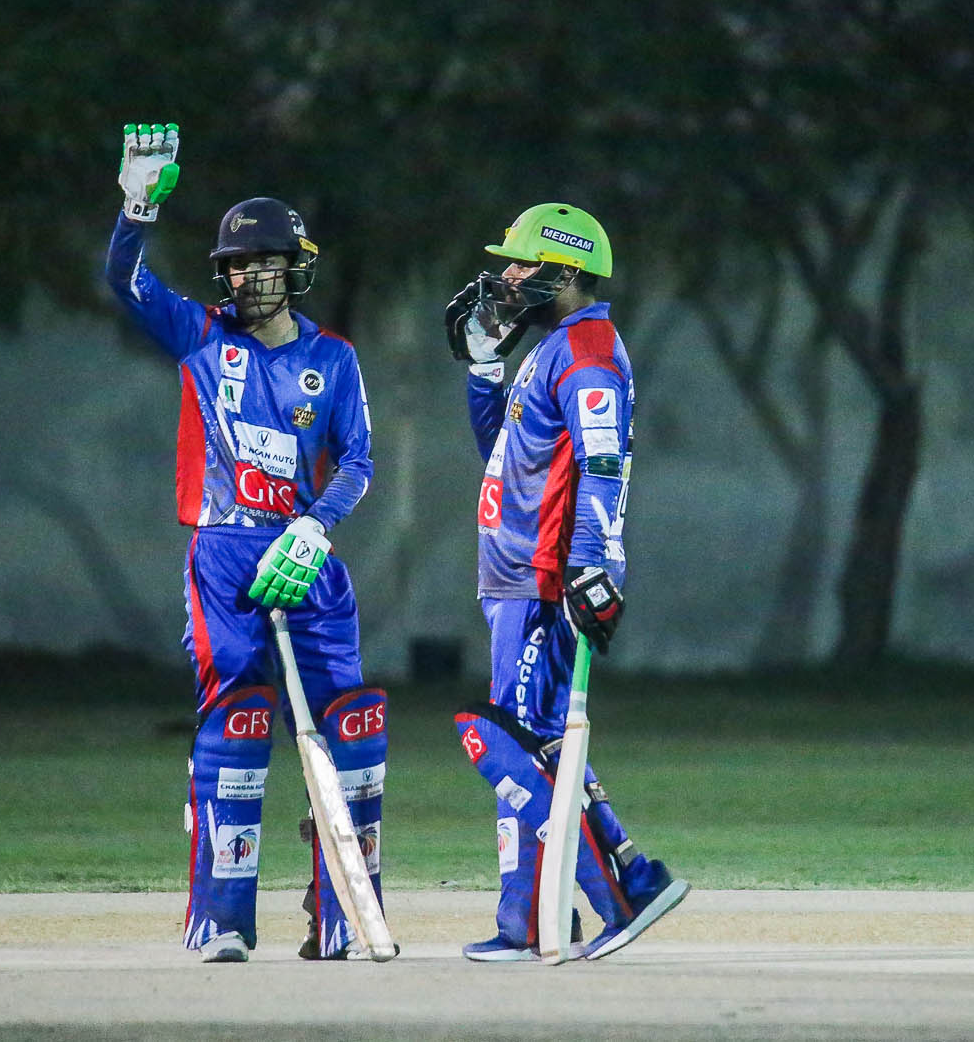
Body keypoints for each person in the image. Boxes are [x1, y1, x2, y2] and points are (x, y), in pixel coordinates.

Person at [104, 122, 385, 963]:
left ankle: (343, 913)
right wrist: (136, 208)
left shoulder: (333, 359)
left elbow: (359, 461)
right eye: (234, 264)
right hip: (225, 555)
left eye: (262, 263)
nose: (244, 277)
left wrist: (315, 525)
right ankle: (223, 916)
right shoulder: (201, 336)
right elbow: (124, 280)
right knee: (239, 719)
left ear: (293, 267)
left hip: (307, 555)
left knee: (354, 725)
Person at [445, 201, 690, 961]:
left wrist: (590, 563)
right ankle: (550, 913)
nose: (510, 277)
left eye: (524, 263)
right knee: (542, 749)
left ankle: (612, 898)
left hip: (544, 577)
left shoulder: (586, 352)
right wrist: (485, 370)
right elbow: (507, 451)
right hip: (514, 575)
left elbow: (602, 464)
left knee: (503, 743)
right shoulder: (553, 346)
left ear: (567, 271)